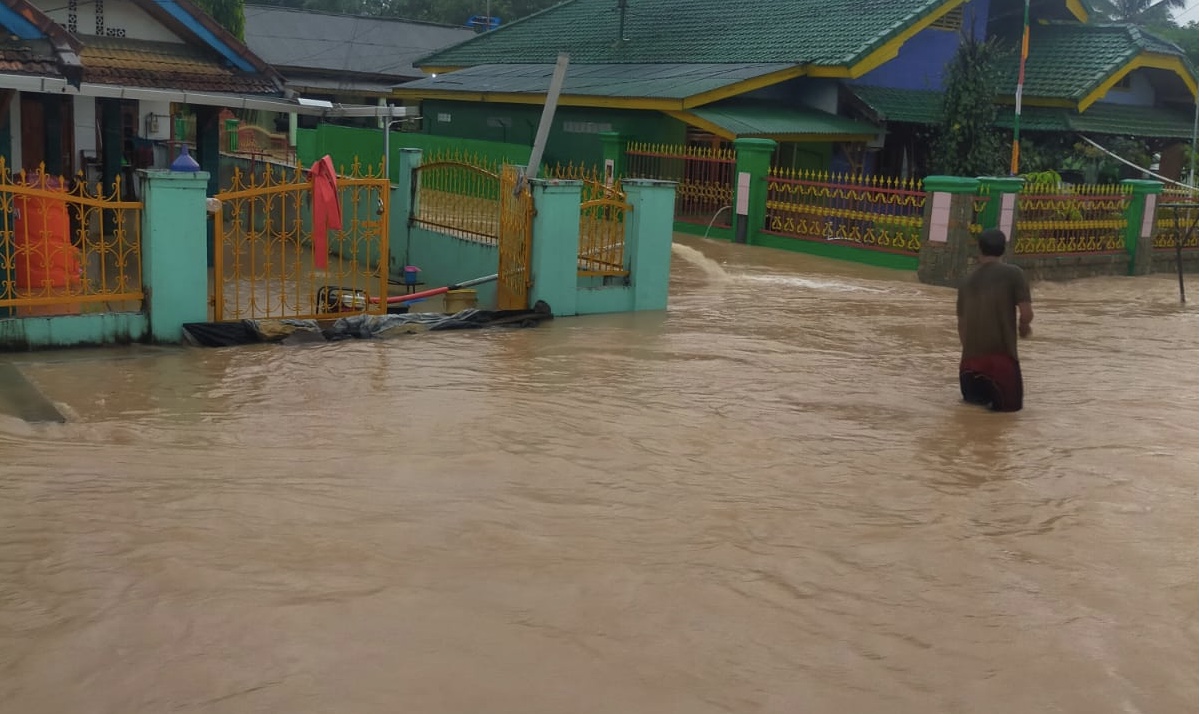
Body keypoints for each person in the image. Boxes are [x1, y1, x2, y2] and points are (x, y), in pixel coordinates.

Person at [956, 228, 1033, 412]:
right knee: (1007, 422)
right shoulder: (1014, 274)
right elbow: (1026, 313)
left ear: (979, 250)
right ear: (1003, 249)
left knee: (972, 423)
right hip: (1001, 365)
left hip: (968, 367)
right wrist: (1024, 327)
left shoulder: (966, 281)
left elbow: (961, 327)